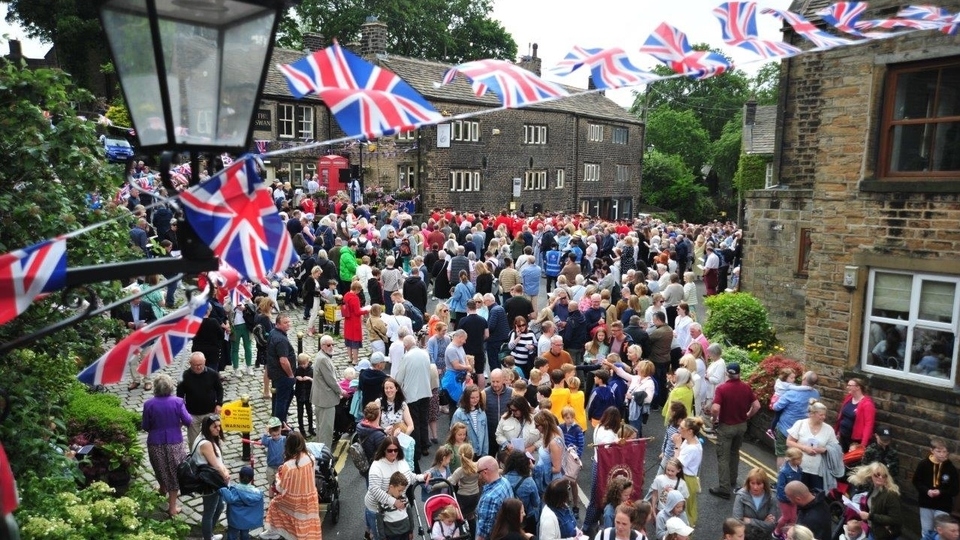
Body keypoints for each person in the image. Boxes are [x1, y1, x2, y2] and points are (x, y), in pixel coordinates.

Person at [141, 373, 192, 517]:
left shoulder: (148, 404)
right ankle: (172, 507)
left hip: (155, 442)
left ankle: (162, 488)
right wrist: (178, 423)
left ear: (155, 388)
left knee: (160, 468)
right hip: (174, 442)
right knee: (174, 473)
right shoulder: (178, 402)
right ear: (171, 387)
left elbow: (145, 426)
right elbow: (188, 421)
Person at [709, 362, 760, 500]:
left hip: (726, 427)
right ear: (739, 373)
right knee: (734, 453)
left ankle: (724, 488)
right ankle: (732, 480)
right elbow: (756, 405)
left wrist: (714, 419)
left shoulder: (722, 388)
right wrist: (747, 416)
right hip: (741, 425)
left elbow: (715, 408)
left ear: (727, 373)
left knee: (723, 457)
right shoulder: (746, 388)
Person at [262, 432, 322, 540]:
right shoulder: (311, 458)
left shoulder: (288, 465)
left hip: (294, 500)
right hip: (310, 497)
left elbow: (281, 487)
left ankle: (274, 530)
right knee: (307, 520)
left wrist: (278, 478)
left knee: (274, 505)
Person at [396, 335, 433, 464]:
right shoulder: (425, 354)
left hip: (412, 395)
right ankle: (425, 445)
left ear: (406, 346)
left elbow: (399, 379)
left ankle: (417, 450)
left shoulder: (406, 357)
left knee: (414, 423)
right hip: (425, 391)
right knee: (424, 420)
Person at [786, 400, 838, 491]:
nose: (823, 417)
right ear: (812, 414)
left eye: (824, 415)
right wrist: (804, 448)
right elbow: (789, 442)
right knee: (797, 494)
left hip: (818, 471)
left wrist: (821, 450)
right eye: (821, 415)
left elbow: (835, 449)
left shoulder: (829, 429)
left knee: (815, 497)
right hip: (799, 467)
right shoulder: (800, 424)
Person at [772, 371, 820, 468]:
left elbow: (776, 407)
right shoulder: (816, 394)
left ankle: (781, 480)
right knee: (796, 456)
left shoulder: (791, 393)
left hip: (785, 429)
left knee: (782, 454)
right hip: (801, 431)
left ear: (804, 379)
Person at [193, 415, 230, 540]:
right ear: (207, 427)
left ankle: (209, 534)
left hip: (214, 480)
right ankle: (207, 537)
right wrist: (225, 475)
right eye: (215, 426)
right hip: (210, 482)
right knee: (209, 512)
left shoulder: (206, 437)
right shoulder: (206, 444)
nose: (218, 429)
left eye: (219, 426)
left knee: (219, 506)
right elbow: (216, 465)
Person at [914, 437, 959, 538]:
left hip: (943, 505)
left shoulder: (951, 468)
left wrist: (941, 492)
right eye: (939, 451)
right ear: (932, 451)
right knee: (926, 531)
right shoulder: (923, 464)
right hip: (926, 503)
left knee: (941, 532)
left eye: (944, 451)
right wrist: (927, 491)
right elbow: (916, 481)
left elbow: (954, 489)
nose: (942, 454)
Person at [178, 352, 224, 449]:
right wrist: (183, 413)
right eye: (195, 365)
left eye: (201, 365)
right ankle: (195, 460)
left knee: (212, 440)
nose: (198, 367)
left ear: (205, 362)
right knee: (194, 442)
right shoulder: (184, 376)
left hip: (209, 413)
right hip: (192, 414)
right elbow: (180, 397)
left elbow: (219, 389)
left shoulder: (212, 374)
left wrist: (219, 404)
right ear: (190, 363)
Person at [849, 462, 902, 540]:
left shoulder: (890, 494)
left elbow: (896, 519)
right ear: (871, 475)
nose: (880, 477)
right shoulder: (873, 488)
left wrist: (870, 516)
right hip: (873, 531)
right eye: (877, 474)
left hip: (885, 535)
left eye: (884, 476)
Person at [312, 336, 344, 448]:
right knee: (326, 430)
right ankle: (325, 455)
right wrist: (341, 391)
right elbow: (331, 380)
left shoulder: (321, 356)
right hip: (326, 399)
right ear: (322, 346)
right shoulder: (324, 359)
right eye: (328, 345)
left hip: (320, 398)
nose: (331, 347)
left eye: (332, 344)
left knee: (321, 428)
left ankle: (319, 452)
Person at [265, 315, 297, 429]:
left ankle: (279, 423)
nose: (288, 324)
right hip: (282, 375)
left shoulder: (273, 332)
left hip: (276, 373)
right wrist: (290, 375)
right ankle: (281, 425)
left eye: (289, 321)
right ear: (278, 324)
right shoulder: (281, 339)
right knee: (281, 401)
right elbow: (283, 360)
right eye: (285, 322)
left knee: (280, 399)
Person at [671, 417, 704, 527]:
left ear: (690, 431)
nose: (679, 429)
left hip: (687, 480)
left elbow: (675, 463)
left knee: (685, 507)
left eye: (682, 428)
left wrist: (677, 445)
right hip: (688, 477)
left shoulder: (692, 449)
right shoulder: (692, 441)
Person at [218, 466, 264, 540]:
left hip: (234, 520)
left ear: (239, 477)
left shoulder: (235, 490)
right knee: (245, 534)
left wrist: (223, 488)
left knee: (232, 535)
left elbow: (229, 498)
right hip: (246, 521)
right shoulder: (257, 493)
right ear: (251, 479)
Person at [733, 468, 778, 540]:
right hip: (745, 536)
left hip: (763, 537)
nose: (755, 487)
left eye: (759, 484)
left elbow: (771, 525)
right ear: (748, 483)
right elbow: (737, 522)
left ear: (764, 484)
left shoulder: (771, 498)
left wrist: (750, 521)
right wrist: (763, 522)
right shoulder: (741, 496)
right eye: (752, 483)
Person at [834, 377, 876, 453]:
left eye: (850, 385)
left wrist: (863, 444)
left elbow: (869, 425)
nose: (847, 387)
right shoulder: (848, 398)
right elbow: (842, 416)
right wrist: (838, 431)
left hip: (854, 440)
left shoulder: (867, 404)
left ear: (858, 387)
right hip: (843, 435)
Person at [476, 455, 513, 540]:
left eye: (478, 472)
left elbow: (483, 535)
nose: (478, 476)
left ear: (485, 472)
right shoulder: (505, 482)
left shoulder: (489, 498)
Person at [533, 410, 566, 494]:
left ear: (545, 425)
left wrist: (535, 468)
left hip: (551, 484)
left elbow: (557, 469)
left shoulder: (554, 442)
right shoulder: (547, 436)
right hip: (545, 480)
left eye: (537, 425)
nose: (535, 428)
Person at [773, 448, 803, 540]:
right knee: (786, 517)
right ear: (792, 460)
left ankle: (787, 534)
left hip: (793, 498)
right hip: (784, 499)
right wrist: (787, 498)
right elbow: (780, 488)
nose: (801, 461)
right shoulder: (784, 472)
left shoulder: (799, 469)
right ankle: (777, 531)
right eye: (799, 459)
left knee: (793, 518)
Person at [451, 384, 488, 456]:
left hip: (479, 452)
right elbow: (453, 433)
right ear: (467, 398)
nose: (475, 400)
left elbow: (485, 434)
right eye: (472, 398)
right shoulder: (459, 414)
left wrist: (485, 453)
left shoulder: (482, 412)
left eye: (477, 397)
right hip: (465, 452)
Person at [342, 281, 366, 365]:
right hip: (355, 321)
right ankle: (355, 360)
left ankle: (350, 358)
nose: (359, 292)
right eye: (359, 290)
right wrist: (366, 311)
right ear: (356, 289)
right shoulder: (355, 298)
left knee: (348, 341)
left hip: (347, 320)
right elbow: (357, 312)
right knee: (355, 341)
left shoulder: (346, 295)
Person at [260, 417, 287, 490]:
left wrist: (289, 429)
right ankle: (271, 498)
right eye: (274, 435)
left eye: (278, 434)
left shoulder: (284, 439)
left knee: (281, 485)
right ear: (270, 434)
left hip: (281, 466)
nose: (276, 437)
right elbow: (263, 442)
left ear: (281, 430)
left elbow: (293, 437)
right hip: (271, 467)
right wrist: (266, 432)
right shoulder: (269, 440)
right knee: (271, 486)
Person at [293, 354, 315, 438]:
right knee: (300, 412)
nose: (302, 366)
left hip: (308, 393)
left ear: (308, 362)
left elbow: (315, 381)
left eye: (304, 364)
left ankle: (311, 427)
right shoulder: (298, 369)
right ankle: (301, 429)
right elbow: (293, 377)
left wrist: (309, 378)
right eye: (301, 364)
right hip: (300, 394)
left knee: (309, 411)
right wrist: (296, 378)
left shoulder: (311, 370)